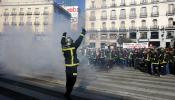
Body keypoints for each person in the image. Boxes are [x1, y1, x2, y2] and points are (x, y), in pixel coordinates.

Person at [61, 28, 86, 99]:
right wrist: (83, 33)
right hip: (73, 68)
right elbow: (79, 41)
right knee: (73, 80)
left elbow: (62, 42)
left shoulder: (63, 47)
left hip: (67, 68)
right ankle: (68, 93)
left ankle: (67, 92)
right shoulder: (73, 47)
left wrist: (63, 35)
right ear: (71, 42)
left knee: (68, 80)